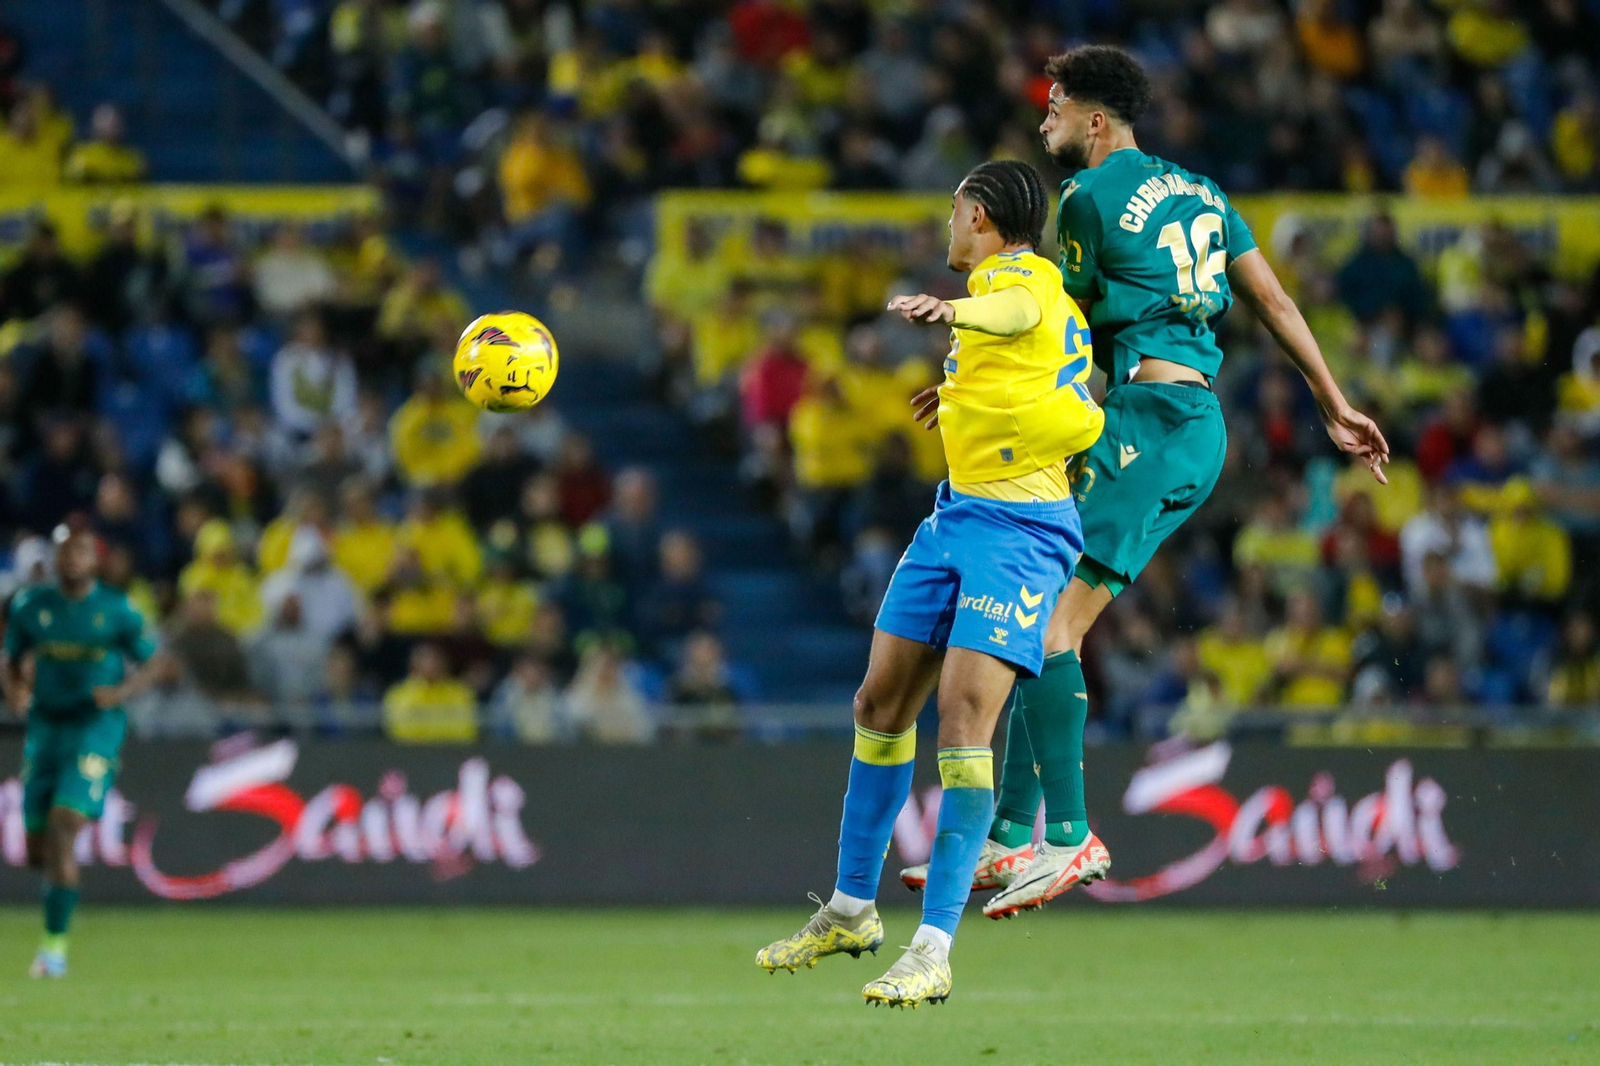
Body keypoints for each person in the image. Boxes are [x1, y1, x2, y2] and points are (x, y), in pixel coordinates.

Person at [909, 46, 1389, 921]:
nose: (1045, 119)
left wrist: (978, 380)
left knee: (1045, 624)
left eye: (1056, 106)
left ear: (1095, 121)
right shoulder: (1204, 193)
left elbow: (1062, 325)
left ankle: (1068, 835)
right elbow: (1275, 303)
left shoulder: (1086, 197)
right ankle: (1012, 831)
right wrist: (1335, 401)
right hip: (1188, 421)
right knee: (1036, 613)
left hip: (1149, 421)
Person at [757, 160, 1103, 1007]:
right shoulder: (1005, 298)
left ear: (978, 215)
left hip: (1020, 533)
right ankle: (850, 910)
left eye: (954, 209)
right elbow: (1035, 368)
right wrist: (957, 395)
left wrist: (952, 310)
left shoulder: (1020, 278)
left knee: (963, 722)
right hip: (957, 516)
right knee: (879, 704)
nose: (949, 223)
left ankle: (934, 947)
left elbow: (1014, 313)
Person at [1, 528, 165, 978]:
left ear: (96, 560)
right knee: (37, 851)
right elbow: (9, 659)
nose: (71, 558)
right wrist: (15, 692)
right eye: (64, 551)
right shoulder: (31, 606)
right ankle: (58, 891)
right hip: (46, 729)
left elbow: (154, 663)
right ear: (54, 557)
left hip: (95, 728)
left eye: (81, 551)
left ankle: (54, 950)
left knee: (64, 822)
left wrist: (122, 692)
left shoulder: (116, 609)